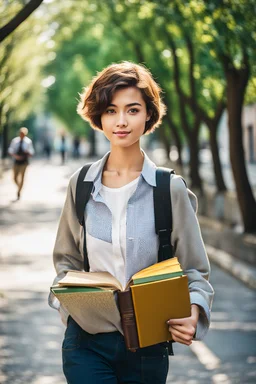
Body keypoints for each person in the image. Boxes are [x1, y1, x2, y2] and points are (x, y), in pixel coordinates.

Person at [49, 62, 214, 384]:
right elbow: (65, 260)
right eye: (111, 110)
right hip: (86, 341)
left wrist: (193, 310)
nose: (121, 121)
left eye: (133, 110)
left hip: (148, 345)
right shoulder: (81, 184)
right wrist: (67, 308)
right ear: (99, 116)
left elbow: (194, 269)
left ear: (149, 115)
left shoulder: (170, 189)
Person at [8, 127, 34, 200]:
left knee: (22, 176)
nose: (22, 135)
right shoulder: (15, 141)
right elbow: (10, 150)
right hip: (16, 161)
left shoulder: (28, 142)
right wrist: (15, 156)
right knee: (14, 177)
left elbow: (32, 152)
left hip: (24, 162)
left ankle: (19, 191)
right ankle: (19, 186)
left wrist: (28, 152)